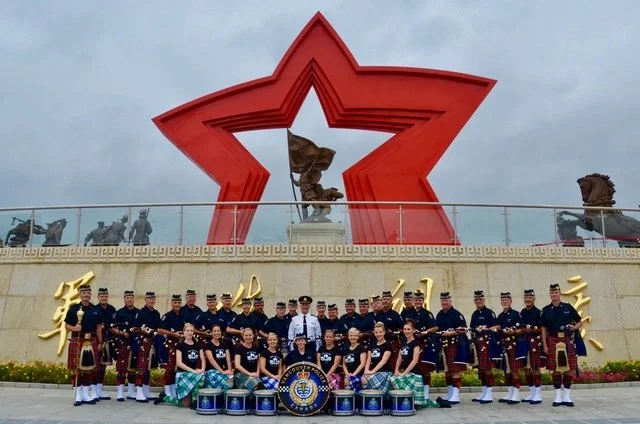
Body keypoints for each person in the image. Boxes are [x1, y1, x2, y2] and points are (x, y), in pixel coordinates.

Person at [542, 283, 584, 407]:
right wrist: (545, 345)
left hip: (567, 339)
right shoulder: (546, 310)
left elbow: (580, 322)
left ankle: (567, 396)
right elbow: (543, 328)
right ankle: (557, 396)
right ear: (550, 295)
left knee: (568, 369)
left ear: (560, 293)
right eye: (552, 292)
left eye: (556, 292)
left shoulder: (568, 307)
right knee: (555, 370)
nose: (554, 294)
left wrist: (574, 327)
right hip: (553, 339)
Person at [64, 284, 102, 406]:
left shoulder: (96, 310)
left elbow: (98, 328)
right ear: (80, 294)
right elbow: (66, 325)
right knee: (77, 369)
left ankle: (86, 394)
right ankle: (78, 395)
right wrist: (75, 328)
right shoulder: (74, 309)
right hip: (78, 340)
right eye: (84, 293)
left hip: (91, 341)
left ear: (90, 294)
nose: (86, 295)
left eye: (88, 293)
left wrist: (100, 342)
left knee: (89, 369)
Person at [435, 291, 467, 404]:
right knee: (447, 370)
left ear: (450, 301)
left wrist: (451, 333)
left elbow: (463, 329)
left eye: (446, 300)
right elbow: (437, 328)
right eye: (442, 300)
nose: (444, 302)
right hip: (443, 345)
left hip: (454, 344)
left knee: (455, 370)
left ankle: (456, 395)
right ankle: (450, 393)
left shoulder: (457, 314)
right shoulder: (439, 314)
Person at [469, 290, 500, 404]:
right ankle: (484, 391)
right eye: (476, 299)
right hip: (477, 342)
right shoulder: (474, 314)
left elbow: (497, 326)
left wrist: (486, 329)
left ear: (484, 300)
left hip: (487, 342)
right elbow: (472, 328)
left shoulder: (489, 313)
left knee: (487, 368)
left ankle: (489, 393)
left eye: (480, 299)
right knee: (480, 369)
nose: (478, 301)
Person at [389, 319, 425, 408]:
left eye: (408, 329)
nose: (406, 331)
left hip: (415, 375)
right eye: (405, 329)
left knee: (414, 405)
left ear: (413, 330)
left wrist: (404, 374)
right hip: (406, 373)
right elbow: (399, 358)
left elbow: (414, 361)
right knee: (392, 378)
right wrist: (396, 370)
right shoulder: (403, 342)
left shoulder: (416, 344)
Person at [132, 291, 161, 402]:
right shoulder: (140, 313)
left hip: (153, 342)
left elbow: (158, 328)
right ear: (145, 300)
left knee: (149, 368)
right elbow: (135, 328)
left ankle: (146, 390)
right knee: (141, 368)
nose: (151, 301)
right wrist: (142, 330)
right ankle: (139, 392)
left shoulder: (157, 313)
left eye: (153, 299)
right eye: (149, 299)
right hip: (143, 342)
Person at [497, 292, 526, 404]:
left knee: (514, 369)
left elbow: (523, 329)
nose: (504, 302)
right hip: (503, 345)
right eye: (503, 300)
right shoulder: (500, 316)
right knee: (506, 370)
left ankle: (516, 394)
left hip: (513, 345)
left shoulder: (516, 314)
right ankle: (510, 392)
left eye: (506, 300)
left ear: (510, 301)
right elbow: (498, 328)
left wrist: (513, 331)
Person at [168, 323, 205, 408]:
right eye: (188, 331)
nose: (190, 332)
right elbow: (179, 363)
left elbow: (203, 359)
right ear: (184, 332)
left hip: (194, 374)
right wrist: (194, 371)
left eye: (191, 331)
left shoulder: (197, 345)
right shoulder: (180, 345)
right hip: (183, 374)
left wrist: (202, 369)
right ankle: (165, 397)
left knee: (202, 376)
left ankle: (195, 400)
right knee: (184, 405)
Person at [110, 290, 138, 401]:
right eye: (127, 298)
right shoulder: (119, 312)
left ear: (133, 299)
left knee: (133, 368)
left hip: (135, 342)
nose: (129, 299)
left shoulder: (138, 312)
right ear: (124, 299)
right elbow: (112, 328)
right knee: (122, 369)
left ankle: (131, 392)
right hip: (123, 342)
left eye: (131, 297)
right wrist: (122, 333)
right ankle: (120, 393)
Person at [156, 294, 185, 401]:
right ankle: (167, 392)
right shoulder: (167, 316)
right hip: (169, 345)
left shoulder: (183, 315)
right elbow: (159, 330)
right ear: (171, 303)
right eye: (175, 302)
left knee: (176, 370)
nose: (177, 304)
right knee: (169, 369)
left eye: (178, 303)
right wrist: (173, 334)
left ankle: (173, 391)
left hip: (181, 345)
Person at [520, 288, 545, 404]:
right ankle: (532, 392)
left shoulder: (539, 312)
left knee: (535, 368)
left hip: (535, 342)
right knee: (526, 368)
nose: (527, 300)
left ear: (534, 299)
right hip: (524, 342)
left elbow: (541, 328)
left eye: (530, 297)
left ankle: (538, 394)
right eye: (526, 298)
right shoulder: (522, 312)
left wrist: (532, 330)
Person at [414, 291, 439, 403]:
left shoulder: (427, 314)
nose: (418, 302)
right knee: (415, 369)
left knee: (425, 370)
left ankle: (426, 394)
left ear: (423, 301)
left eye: (420, 300)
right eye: (416, 300)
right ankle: (417, 393)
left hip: (425, 343)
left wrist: (426, 332)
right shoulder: (411, 314)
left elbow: (435, 328)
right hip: (414, 344)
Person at [94, 287, 116, 401]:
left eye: (105, 296)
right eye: (102, 296)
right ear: (98, 297)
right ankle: (94, 390)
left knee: (103, 366)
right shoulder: (94, 309)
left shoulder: (112, 309)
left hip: (108, 339)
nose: (104, 298)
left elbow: (114, 325)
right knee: (96, 366)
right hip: (97, 340)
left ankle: (99, 389)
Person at [362, 322, 392, 392]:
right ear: (374, 333)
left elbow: (383, 361)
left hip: (385, 372)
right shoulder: (372, 345)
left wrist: (372, 371)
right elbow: (368, 359)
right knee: (363, 378)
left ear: (384, 332)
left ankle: (380, 399)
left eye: (380, 332)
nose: (378, 334)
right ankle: (371, 399)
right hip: (374, 372)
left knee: (367, 380)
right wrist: (366, 370)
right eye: (376, 332)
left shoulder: (388, 345)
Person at [203, 324, 234, 390]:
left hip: (224, 371)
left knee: (231, 380)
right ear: (211, 333)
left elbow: (228, 359)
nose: (217, 333)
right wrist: (222, 372)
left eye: (218, 331)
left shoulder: (224, 344)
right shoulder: (207, 345)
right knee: (226, 382)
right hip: (212, 371)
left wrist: (229, 370)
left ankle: (225, 399)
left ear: (221, 332)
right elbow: (211, 360)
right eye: (215, 331)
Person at [342, 327, 367, 392]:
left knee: (363, 380)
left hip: (359, 374)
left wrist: (354, 374)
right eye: (351, 335)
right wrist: (347, 373)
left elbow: (362, 363)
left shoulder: (361, 348)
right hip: (349, 374)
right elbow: (344, 364)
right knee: (346, 381)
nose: (353, 337)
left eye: (355, 336)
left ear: (358, 337)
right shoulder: (346, 350)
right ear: (348, 337)